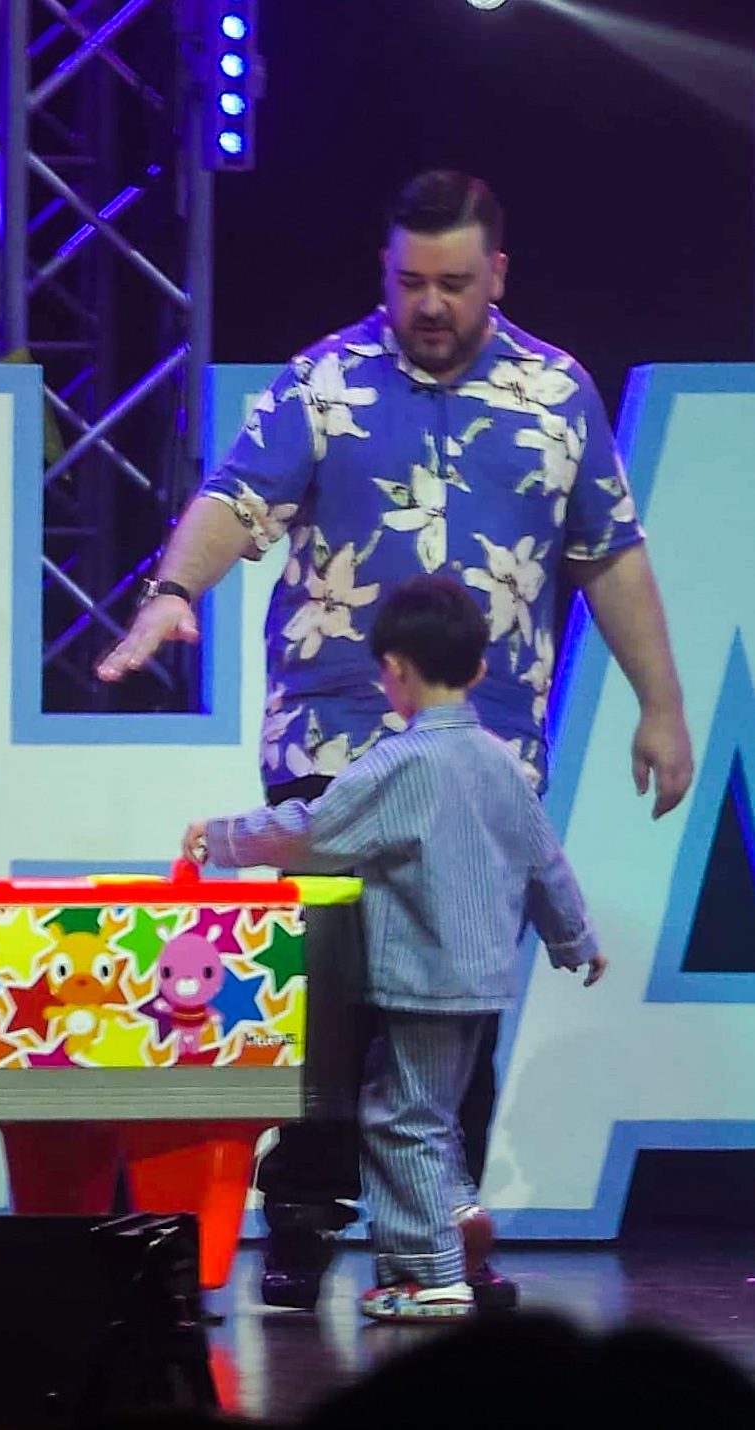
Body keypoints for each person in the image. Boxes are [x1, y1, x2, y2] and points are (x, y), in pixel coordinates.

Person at [93, 170, 691, 1309]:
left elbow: (609, 552)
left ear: (495, 275)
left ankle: (442, 1230)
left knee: (453, 989)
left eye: (453, 284)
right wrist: (174, 588)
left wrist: (662, 703)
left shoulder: (556, 391)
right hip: (338, 734)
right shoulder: (322, 380)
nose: (429, 304)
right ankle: (307, 1223)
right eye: (409, 281)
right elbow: (236, 498)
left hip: (482, 750)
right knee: (342, 989)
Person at [185, 576, 605, 1321]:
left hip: (420, 978)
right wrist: (575, 939)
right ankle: (457, 1212)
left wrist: (222, 836)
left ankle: (427, 1272)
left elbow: (311, 830)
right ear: (478, 670)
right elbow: (546, 861)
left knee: (400, 1118)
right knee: (430, 1113)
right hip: (480, 979)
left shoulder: (397, 765)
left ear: (394, 671)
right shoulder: (503, 762)